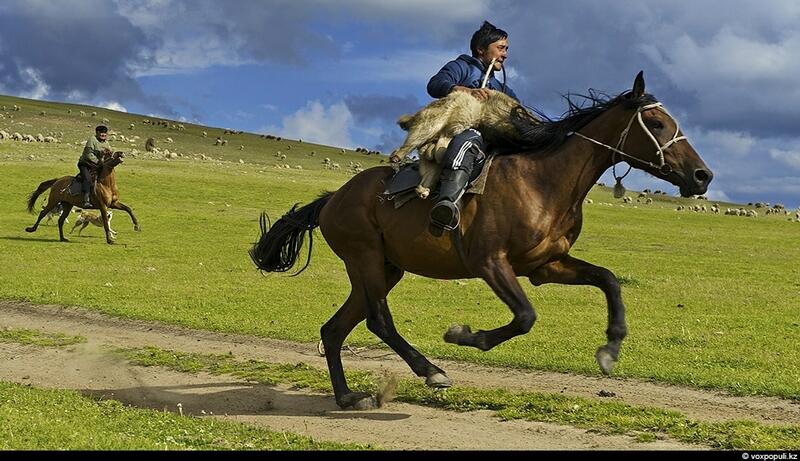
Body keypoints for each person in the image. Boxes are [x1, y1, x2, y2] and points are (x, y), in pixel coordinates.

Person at [426, 20, 519, 232]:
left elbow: (517, 110)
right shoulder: (462, 67)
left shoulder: (501, 87)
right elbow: (435, 84)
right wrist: (467, 91)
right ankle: (446, 204)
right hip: (459, 129)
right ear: (481, 49)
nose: (505, 55)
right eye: (501, 48)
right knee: (469, 139)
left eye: (506, 49)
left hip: (493, 137)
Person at [78, 125, 112, 208]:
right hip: (86, 164)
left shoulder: (106, 143)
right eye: (102, 133)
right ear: (97, 133)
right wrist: (99, 162)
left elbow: (108, 154)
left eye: (105, 133)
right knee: (88, 179)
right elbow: (88, 155)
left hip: (97, 166)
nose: (104, 135)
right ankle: (86, 200)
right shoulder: (92, 140)